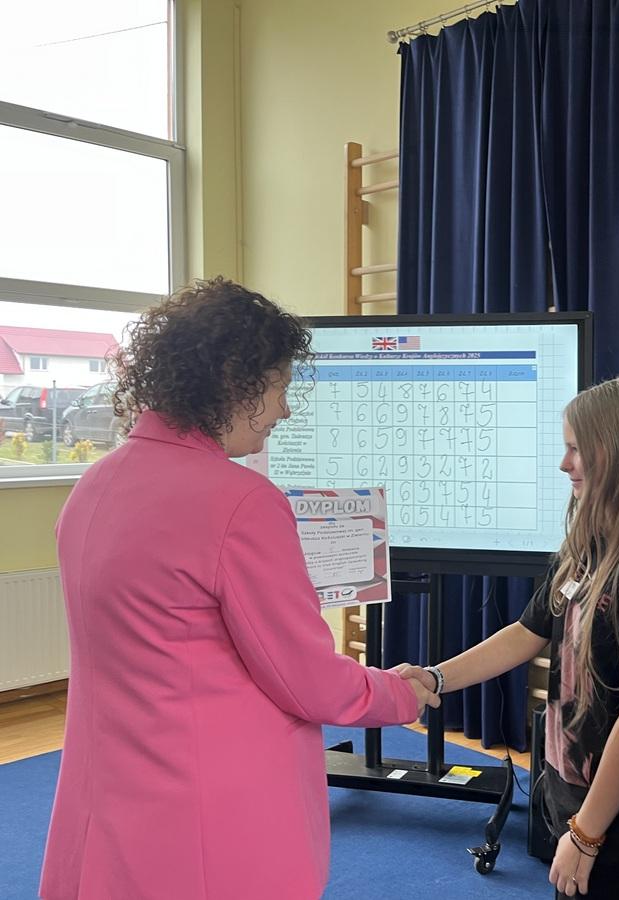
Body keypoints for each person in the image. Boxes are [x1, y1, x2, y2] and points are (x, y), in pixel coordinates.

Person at [40, 278, 438, 900]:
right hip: (209, 807)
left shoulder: (95, 484)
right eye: (281, 387)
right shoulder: (241, 502)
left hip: (107, 800)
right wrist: (398, 694)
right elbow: (305, 679)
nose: (285, 410)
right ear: (236, 380)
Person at [396, 375, 619, 899]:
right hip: (579, 809)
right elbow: (526, 631)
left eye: (576, 449)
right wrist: (435, 678)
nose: (565, 464)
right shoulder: (591, 542)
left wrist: (586, 835)